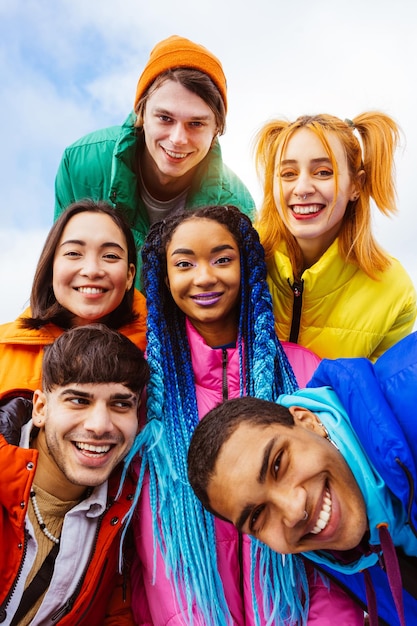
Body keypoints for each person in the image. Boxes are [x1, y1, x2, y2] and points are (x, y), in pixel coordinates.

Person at [125, 205, 363, 625]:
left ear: (247, 265)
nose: (204, 277)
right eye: (184, 264)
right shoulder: (146, 397)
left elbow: (335, 535)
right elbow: (158, 551)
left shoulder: (304, 372)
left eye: (222, 259)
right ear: (164, 278)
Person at [187, 331, 417, 626]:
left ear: (308, 421)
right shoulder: (343, 554)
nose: (294, 511)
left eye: (278, 464)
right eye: (258, 515)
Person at [54, 35, 256, 285]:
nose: (178, 138)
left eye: (196, 124)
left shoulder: (237, 206)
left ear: (216, 130)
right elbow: (62, 273)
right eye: (165, 118)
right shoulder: (82, 164)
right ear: (141, 113)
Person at [0, 323, 150, 624]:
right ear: (40, 408)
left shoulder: (127, 514)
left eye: (120, 404)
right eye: (79, 401)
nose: (99, 425)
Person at [254, 112, 416, 360]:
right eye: (288, 174)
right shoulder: (241, 257)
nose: (303, 189)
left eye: (323, 172)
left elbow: (377, 394)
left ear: (356, 186)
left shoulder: (393, 291)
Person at [0, 199, 147, 394]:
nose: (92, 270)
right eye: (73, 253)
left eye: (110, 256)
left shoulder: (163, 350)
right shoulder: (4, 349)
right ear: (51, 268)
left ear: (130, 276)